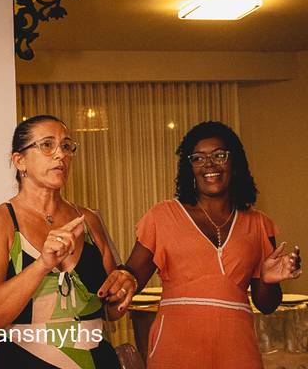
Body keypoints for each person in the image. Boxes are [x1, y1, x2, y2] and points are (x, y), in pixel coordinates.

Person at [103, 121, 302, 368]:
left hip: (237, 348)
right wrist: (122, 281)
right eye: (198, 158)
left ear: (234, 162)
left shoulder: (258, 223)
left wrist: (268, 280)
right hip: (176, 347)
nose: (209, 164)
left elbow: (267, 305)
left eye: (219, 155)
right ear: (190, 168)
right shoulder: (163, 216)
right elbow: (133, 275)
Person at [0, 114, 136, 369]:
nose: (61, 155)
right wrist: (42, 265)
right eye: (47, 145)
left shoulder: (88, 220)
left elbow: (110, 311)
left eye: (66, 146)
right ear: (20, 161)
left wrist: (123, 287)